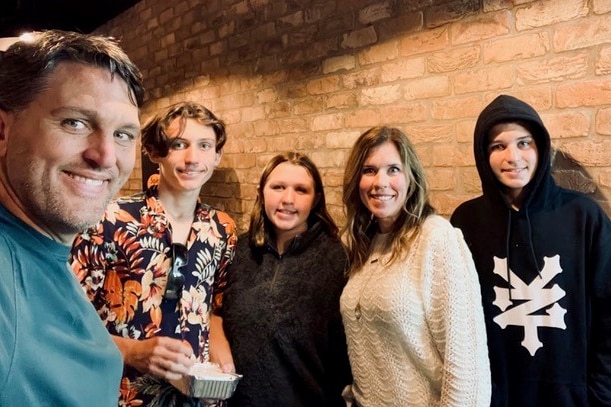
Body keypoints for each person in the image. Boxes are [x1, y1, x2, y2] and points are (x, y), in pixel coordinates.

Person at [0, 30, 144, 405]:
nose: (106, 156)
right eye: (75, 123)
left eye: (124, 134)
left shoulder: (41, 250)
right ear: (2, 131)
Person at [70, 101, 237, 407]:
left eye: (204, 146)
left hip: (195, 399)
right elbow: (68, 320)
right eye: (179, 144)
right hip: (120, 395)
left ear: (217, 157)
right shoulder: (109, 220)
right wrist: (133, 351)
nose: (192, 158)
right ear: (155, 152)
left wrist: (224, 367)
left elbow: (214, 311)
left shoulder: (221, 229)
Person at [450, 94, 611, 406]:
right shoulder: (466, 221)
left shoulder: (583, 216)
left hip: (570, 396)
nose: (513, 156)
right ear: (484, 155)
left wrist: (601, 394)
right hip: (493, 395)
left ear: (541, 147)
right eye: (498, 146)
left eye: (524, 143)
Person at [340, 126, 491, 406]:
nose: (380, 182)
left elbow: (468, 367)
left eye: (393, 170)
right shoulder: (363, 242)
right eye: (369, 170)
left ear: (411, 177)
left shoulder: (437, 237)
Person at [220, 152, 352, 406]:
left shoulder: (338, 260)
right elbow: (217, 314)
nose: (287, 199)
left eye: (301, 190)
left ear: (316, 200)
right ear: (261, 192)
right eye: (278, 187)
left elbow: (345, 355)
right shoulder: (240, 250)